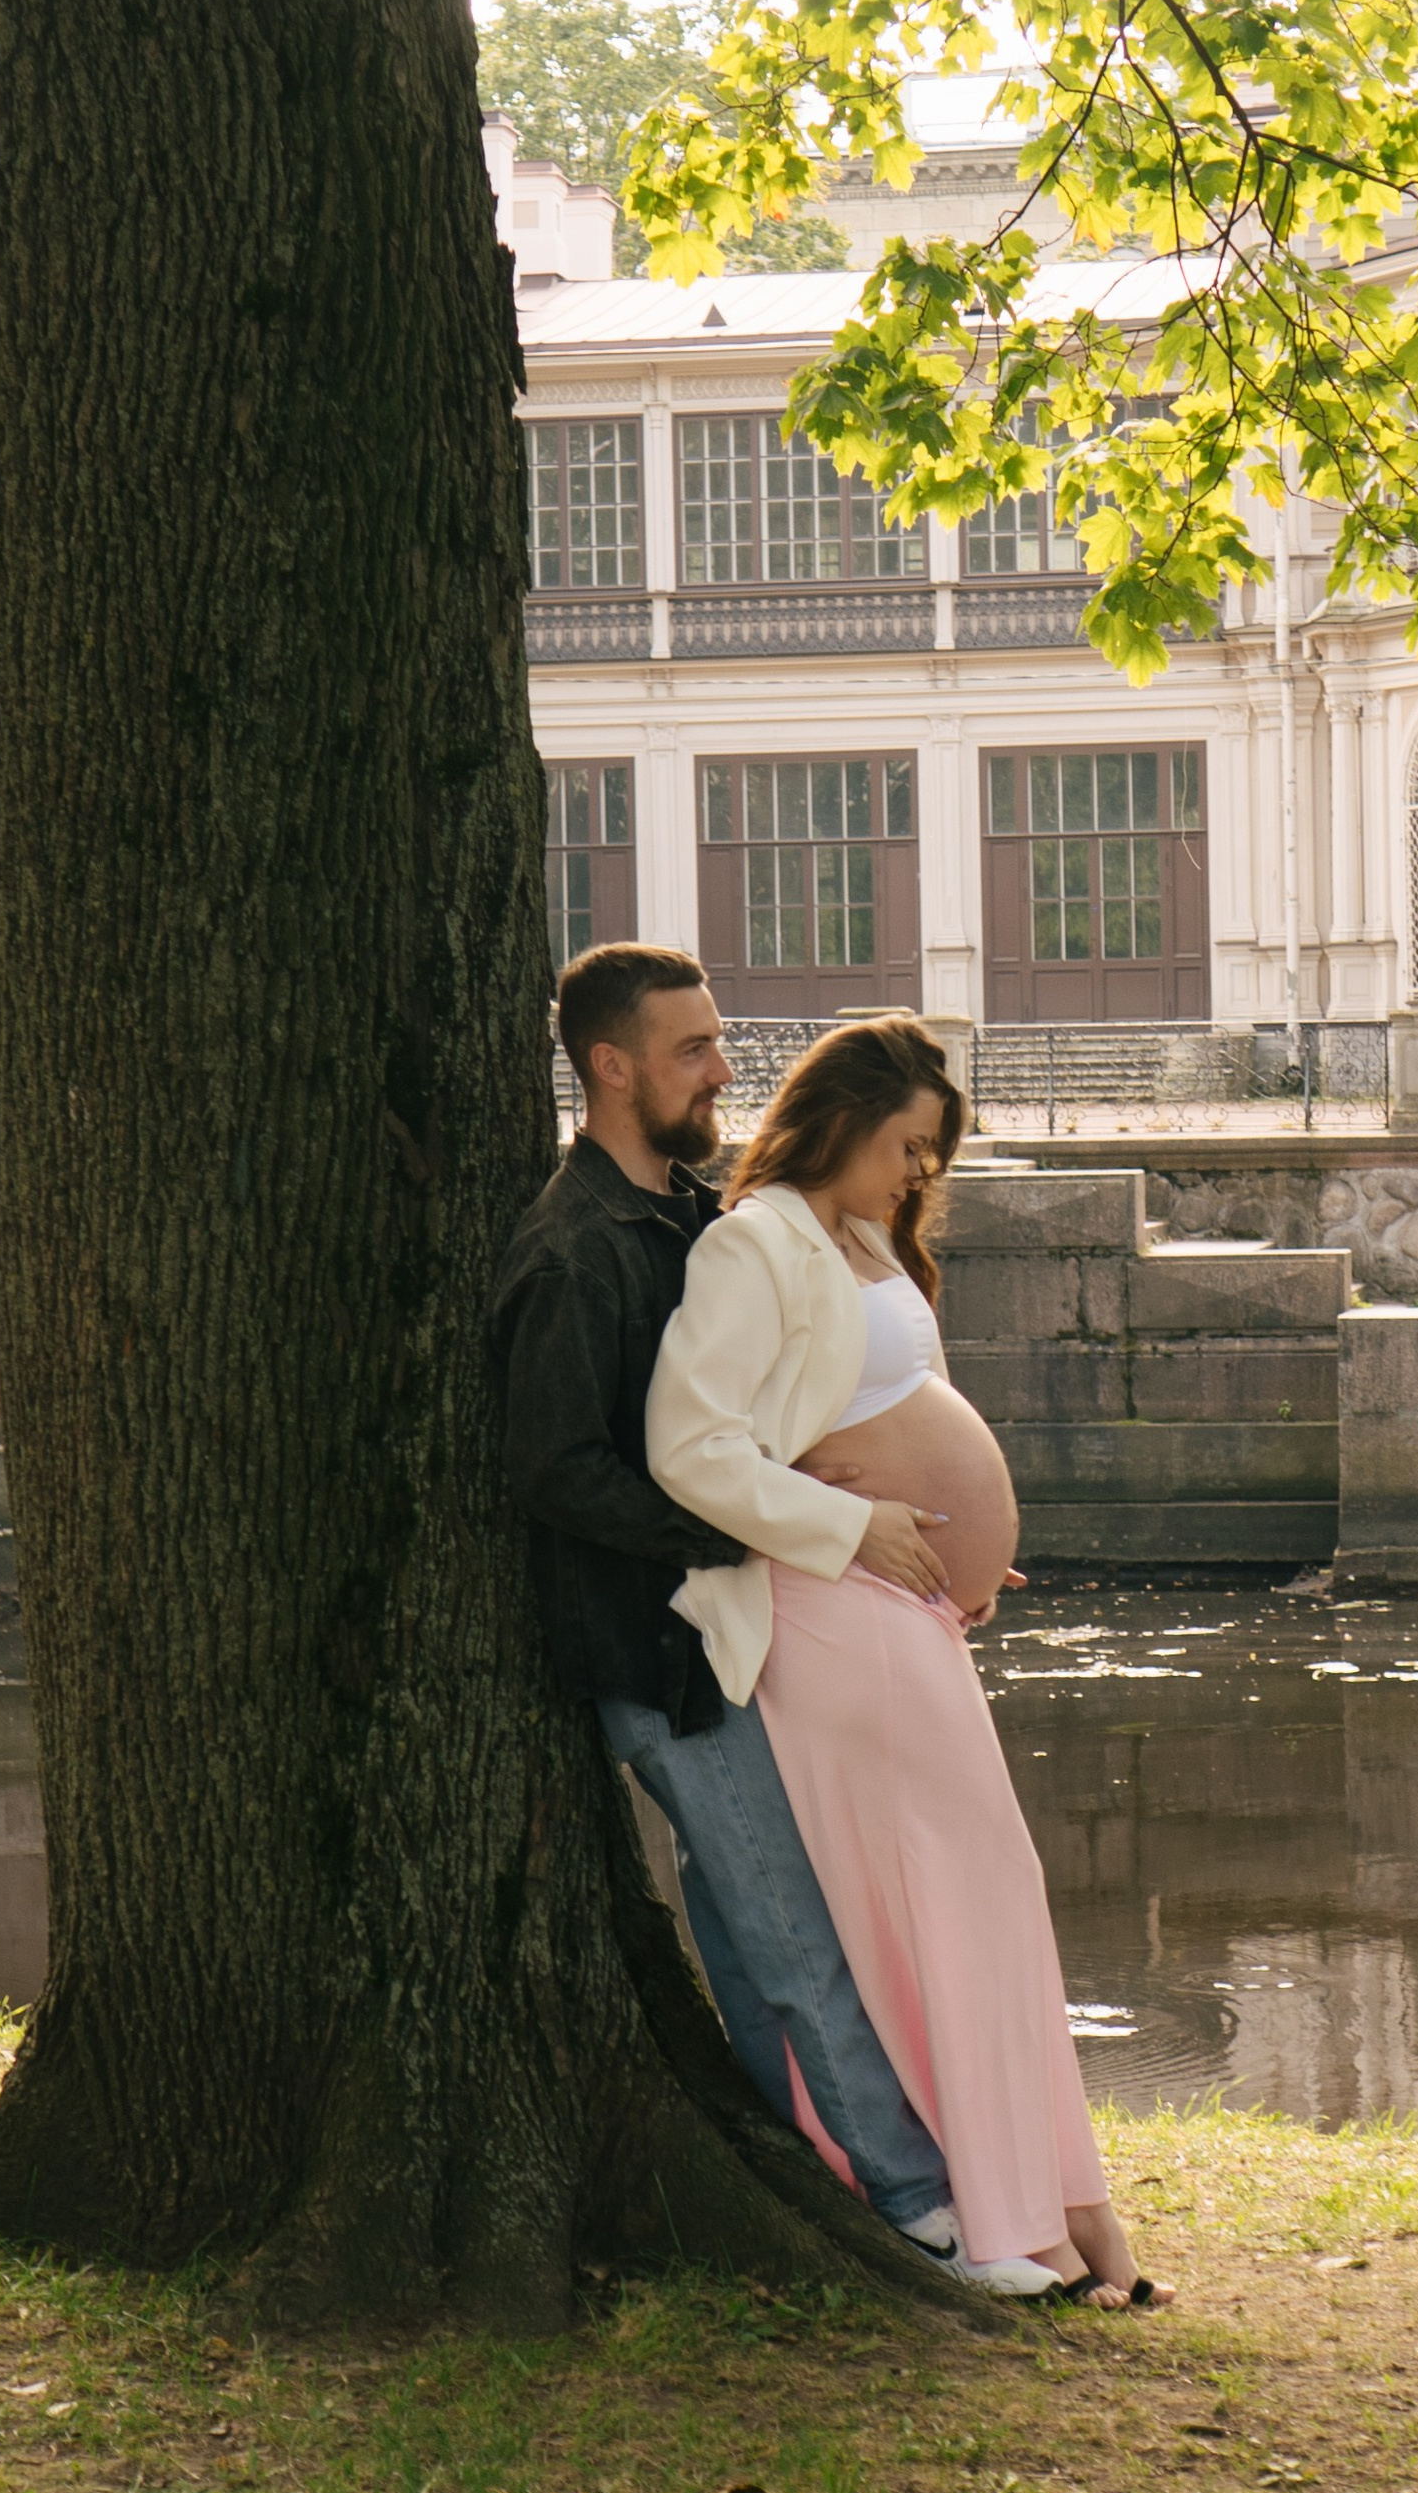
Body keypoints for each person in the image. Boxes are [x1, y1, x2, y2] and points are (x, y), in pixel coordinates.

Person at [493, 942, 1032, 2286]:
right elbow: (558, 1471)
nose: (724, 1069)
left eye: (720, 1041)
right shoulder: (572, 1250)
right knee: (789, 1928)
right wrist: (779, 1519)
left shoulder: (689, 1210)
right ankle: (916, 2205)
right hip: (656, 1648)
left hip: (737, 1624)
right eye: (693, 1049)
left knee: (747, 1931)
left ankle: (800, 2164)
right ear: (612, 1067)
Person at [646, 1016, 1169, 2309]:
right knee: (938, 1894)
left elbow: (888, 1411)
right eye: (907, 1146)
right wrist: (860, 1527)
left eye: (934, 1153)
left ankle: (1061, 2206)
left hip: (901, 1606)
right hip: (826, 1605)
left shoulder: (866, 1239)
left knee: (985, 1886)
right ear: (838, 1122)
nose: (920, 1174)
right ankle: (994, 2212)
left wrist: (966, 1549)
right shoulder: (751, 1244)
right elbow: (689, 1449)